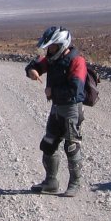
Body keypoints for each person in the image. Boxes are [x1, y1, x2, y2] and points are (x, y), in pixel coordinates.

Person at [25, 26, 88, 197]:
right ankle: (50, 182)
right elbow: (35, 65)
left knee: (72, 146)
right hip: (57, 108)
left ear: (61, 45)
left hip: (71, 109)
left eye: (52, 47)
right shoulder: (53, 59)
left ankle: (75, 183)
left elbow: (75, 90)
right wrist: (32, 71)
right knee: (49, 143)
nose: (49, 50)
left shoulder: (77, 61)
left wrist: (52, 92)